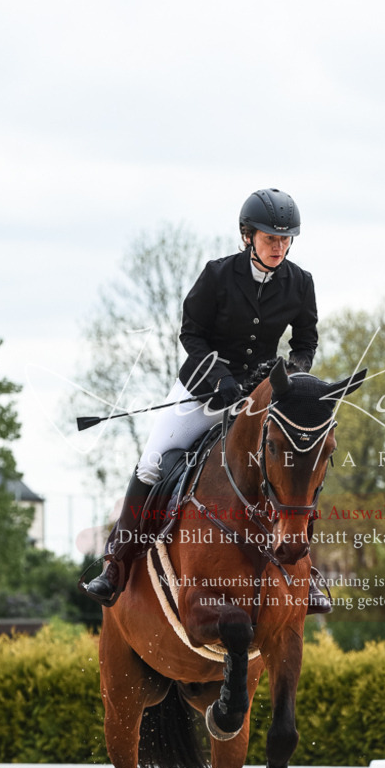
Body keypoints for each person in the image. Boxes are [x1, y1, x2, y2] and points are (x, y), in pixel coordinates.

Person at [85, 187, 329, 611]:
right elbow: (191, 335)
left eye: (286, 239)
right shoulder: (218, 275)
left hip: (259, 397)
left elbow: (305, 342)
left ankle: (306, 574)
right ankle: (117, 563)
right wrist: (219, 377)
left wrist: (288, 373)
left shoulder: (300, 282)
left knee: (296, 464)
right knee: (153, 460)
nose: (279, 247)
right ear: (247, 235)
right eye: (271, 238)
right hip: (202, 389)